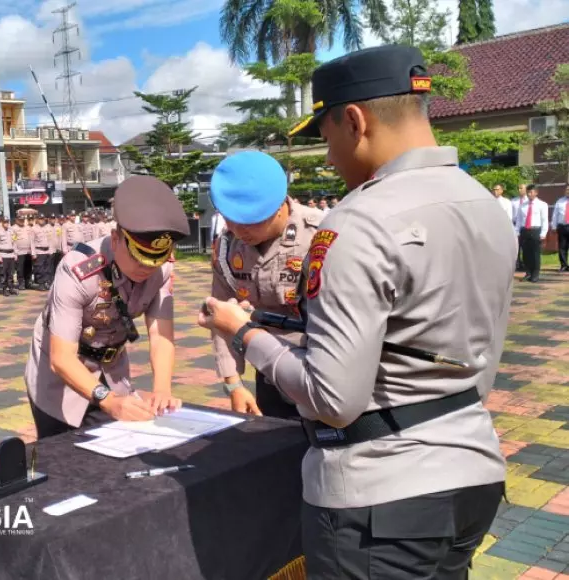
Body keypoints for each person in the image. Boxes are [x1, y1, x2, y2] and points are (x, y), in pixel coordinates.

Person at [200, 45, 511, 578]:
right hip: (472, 469)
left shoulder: (357, 223)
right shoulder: (482, 203)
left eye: (325, 139)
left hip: (380, 497)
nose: (328, 158)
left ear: (354, 120)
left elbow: (332, 398)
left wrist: (246, 333)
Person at [25, 176, 188, 439]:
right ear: (115, 240)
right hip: (59, 379)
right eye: (139, 258)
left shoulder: (162, 270)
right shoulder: (77, 270)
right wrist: (109, 401)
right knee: (63, 458)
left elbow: (161, 336)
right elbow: (62, 358)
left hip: (112, 369)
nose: (146, 269)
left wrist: (162, 390)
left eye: (154, 261)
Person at [208, 151, 323, 417]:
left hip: (319, 374)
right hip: (268, 373)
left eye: (249, 221)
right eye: (229, 219)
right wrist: (234, 384)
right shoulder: (227, 249)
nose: (238, 231)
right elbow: (222, 315)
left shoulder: (318, 237)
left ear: (279, 204)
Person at [515, 184, 549, 283]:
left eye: (531, 192)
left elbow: (544, 220)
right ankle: (528, 272)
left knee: (535, 254)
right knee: (526, 254)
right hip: (524, 230)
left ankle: (535, 274)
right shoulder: (523, 205)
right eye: (528, 192)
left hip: (535, 230)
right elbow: (519, 220)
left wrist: (543, 233)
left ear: (536, 192)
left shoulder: (542, 204)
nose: (530, 194)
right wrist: (517, 231)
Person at [0, 216, 18, 296]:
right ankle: (4, 289)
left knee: (11, 273)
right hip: (3, 255)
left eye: (7, 222)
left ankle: (11, 288)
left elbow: (14, 243)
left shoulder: (11, 231)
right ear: (2, 223)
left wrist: (15, 253)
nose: (6, 224)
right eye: (5, 222)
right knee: (3, 273)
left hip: (11, 254)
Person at [31, 214, 54, 290]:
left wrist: (51, 250)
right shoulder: (34, 228)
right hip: (39, 251)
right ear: (37, 219)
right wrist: (33, 253)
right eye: (40, 219)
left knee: (47, 268)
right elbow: (32, 242)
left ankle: (46, 282)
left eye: (43, 219)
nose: (41, 220)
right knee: (39, 269)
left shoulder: (47, 227)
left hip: (47, 251)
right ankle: (41, 283)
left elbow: (50, 239)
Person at [12, 215, 32, 290]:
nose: (22, 221)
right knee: (20, 269)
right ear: (16, 220)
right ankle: (21, 283)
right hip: (19, 252)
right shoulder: (13, 228)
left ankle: (27, 282)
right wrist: (15, 252)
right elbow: (13, 241)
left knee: (28, 268)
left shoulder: (28, 228)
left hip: (28, 251)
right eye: (20, 220)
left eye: (23, 220)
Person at [553, 185, 569, 272]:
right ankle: (564, 265)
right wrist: (554, 226)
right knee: (562, 247)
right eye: (566, 189)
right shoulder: (560, 201)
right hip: (562, 227)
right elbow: (555, 214)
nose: (568, 191)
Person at [512, 184, 527, 272]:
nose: (519, 190)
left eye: (521, 188)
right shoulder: (514, 201)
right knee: (516, 246)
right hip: (515, 225)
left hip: (524, 225)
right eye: (518, 188)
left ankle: (525, 264)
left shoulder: (528, 201)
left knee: (525, 246)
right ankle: (517, 263)